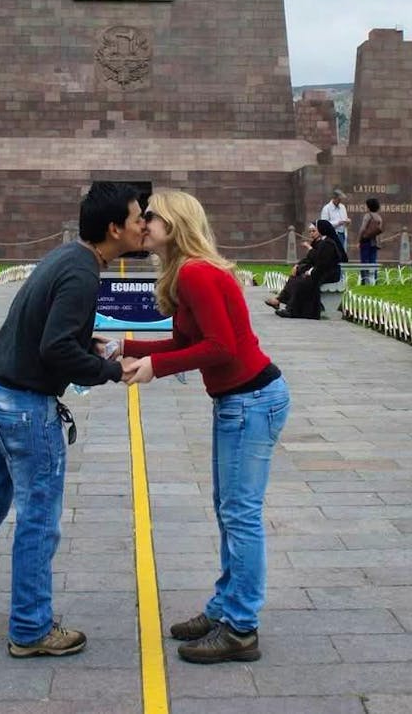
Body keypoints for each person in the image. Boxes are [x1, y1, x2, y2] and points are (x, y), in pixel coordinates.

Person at [0, 182, 144, 658]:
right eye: (137, 217)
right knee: (39, 516)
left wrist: (92, 347)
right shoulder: (82, 273)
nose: (144, 224)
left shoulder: (68, 258)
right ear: (114, 228)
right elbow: (55, 347)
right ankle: (30, 627)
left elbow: (51, 331)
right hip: (24, 406)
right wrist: (110, 370)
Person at [120, 190, 290, 664]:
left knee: (240, 514)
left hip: (251, 400)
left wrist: (155, 369)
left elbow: (221, 348)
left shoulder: (196, 273)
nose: (143, 223)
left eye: (150, 216)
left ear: (173, 223)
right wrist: (125, 348)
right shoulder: (188, 273)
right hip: (242, 400)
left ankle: (240, 627)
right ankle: (225, 607)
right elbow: (184, 342)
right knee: (229, 510)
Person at [264, 219, 346, 319]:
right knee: (295, 279)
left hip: (329, 274)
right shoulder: (324, 242)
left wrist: (310, 272)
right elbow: (312, 261)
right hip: (321, 271)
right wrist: (299, 267)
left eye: (315, 230)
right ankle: (285, 304)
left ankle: (292, 310)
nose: (312, 233)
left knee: (302, 282)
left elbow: (323, 263)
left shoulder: (328, 243)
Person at [357, 197, 383, 283]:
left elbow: (363, 228)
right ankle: (374, 279)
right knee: (373, 261)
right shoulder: (379, 217)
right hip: (374, 242)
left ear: (368, 206)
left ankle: (364, 279)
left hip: (366, 241)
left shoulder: (368, 216)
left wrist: (359, 240)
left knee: (364, 261)